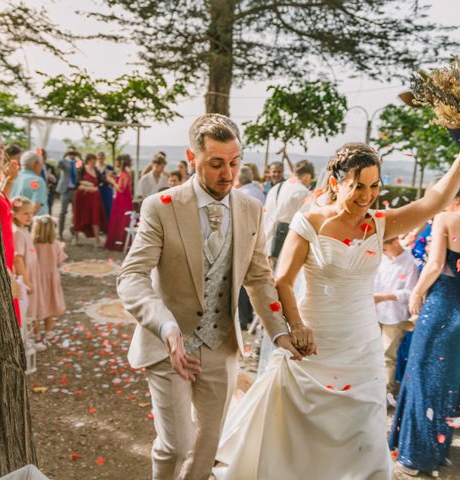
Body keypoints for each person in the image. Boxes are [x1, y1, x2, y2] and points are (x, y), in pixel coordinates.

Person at [214, 131, 460, 479]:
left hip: (362, 346)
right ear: (336, 183)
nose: (367, 196)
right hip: (315, 342)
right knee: (303, 431)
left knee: (362, 434)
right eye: (358, 185)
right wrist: (296, 326)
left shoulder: (380, 223)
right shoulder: (309, 223)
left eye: (374, 186)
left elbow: (433, 200)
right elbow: (282, 280)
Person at [117, 114, 300, 480]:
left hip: (221, 345)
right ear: (192, 158)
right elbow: (132, 277)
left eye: (234, 163)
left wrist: (280, 333)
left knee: (208, 445)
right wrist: (165, 326)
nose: (228, 174)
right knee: (177, 444)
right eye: (216, 163)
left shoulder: (251, 209)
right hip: (169, 345)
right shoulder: (160, 207)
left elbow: (260, 277)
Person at [390, 175, 460, 476]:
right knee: (446, 383)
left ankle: (416, 456)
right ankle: (437, 450)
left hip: (439, 305)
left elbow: (435, 265)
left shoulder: (447, 218)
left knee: (423, 376)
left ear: (455, 195)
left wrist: (418, 292)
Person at [373, 236, 419, 405]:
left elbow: (411, 293)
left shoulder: (410, 263)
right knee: (372, 352)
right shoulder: (383, 260)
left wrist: (385, 297)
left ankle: (386, 394)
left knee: (388, 355)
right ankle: (372, 389)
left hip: (395, 315)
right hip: (376, 312)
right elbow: (376, 282)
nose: (383, 252)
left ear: (395, 243)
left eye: (385, 248)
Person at [0, 128, 21, 325]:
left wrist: (9, 179)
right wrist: (6, 273)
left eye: (1, 148)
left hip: (7, 256)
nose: (0, 153)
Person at [264, 159, 315, 264]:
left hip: (266, 244)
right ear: (308, 176)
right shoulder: (304, 193)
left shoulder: (275, 188)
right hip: (285, 249)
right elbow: (306, 224)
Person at [32, 215, 66, 346]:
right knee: (50, 305)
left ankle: (36, 334)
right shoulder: (56, 245)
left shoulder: (33, 244)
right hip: (51, 280)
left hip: (37, 280)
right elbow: (59, 262)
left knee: (36, 306)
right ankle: (48, 332)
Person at [12, 196, 40, 338]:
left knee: (34, 305)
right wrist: (27, 281)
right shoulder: (17, 232)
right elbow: (18, 259)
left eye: (31, 213)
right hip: (26, 274)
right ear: (15, 214)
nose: (30, 217)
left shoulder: (23, 229)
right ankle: (30, 338)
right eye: (25, 213)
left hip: (32, 272)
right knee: (29, 308)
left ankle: (34, 336)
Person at [73, 153, 107, 248]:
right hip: (82, 197)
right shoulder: (82, 169)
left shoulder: (96, 170)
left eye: (95, 160)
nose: (95, 162)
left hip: (94, 198)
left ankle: (97, 239)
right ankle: (76, 238)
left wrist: (113, 181)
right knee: (78, 216)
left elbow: (103, 180)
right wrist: (89, 185)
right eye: (93, 160)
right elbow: (77, 183)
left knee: (95, 216)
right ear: (88, 160)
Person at [105, 155, 134, 251]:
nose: (115, 163)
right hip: (123, 200)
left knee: (121, 220)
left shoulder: (123, 174)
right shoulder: (124, 173)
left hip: (122, 201)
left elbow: (121, 189)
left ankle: (119, 244)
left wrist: (111, 180)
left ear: (121, 162)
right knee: (120, 220)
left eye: (117, 161)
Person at [56, 149, 79, 240]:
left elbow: (81, 170)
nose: (72, 155)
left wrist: (79, 157)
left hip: (74, 190)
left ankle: (73, 232)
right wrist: (64, 156)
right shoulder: (64, 162)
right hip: (65, 190)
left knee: (75, 212)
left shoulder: (77, 163)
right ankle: (60, 233)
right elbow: (59, 165)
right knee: (63, 212)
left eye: (74, 153)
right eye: (71, 153)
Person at [96, 151, 115, 221]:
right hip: (97, 189)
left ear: (104, 158)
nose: (101, 160)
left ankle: (107, 227)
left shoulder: (109, 167)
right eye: (99, 158)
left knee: (108, 207)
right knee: (98, 208)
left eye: (102, 158)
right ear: (97, 158)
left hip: (107, 189)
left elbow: (113, 178)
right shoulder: (95, 168)